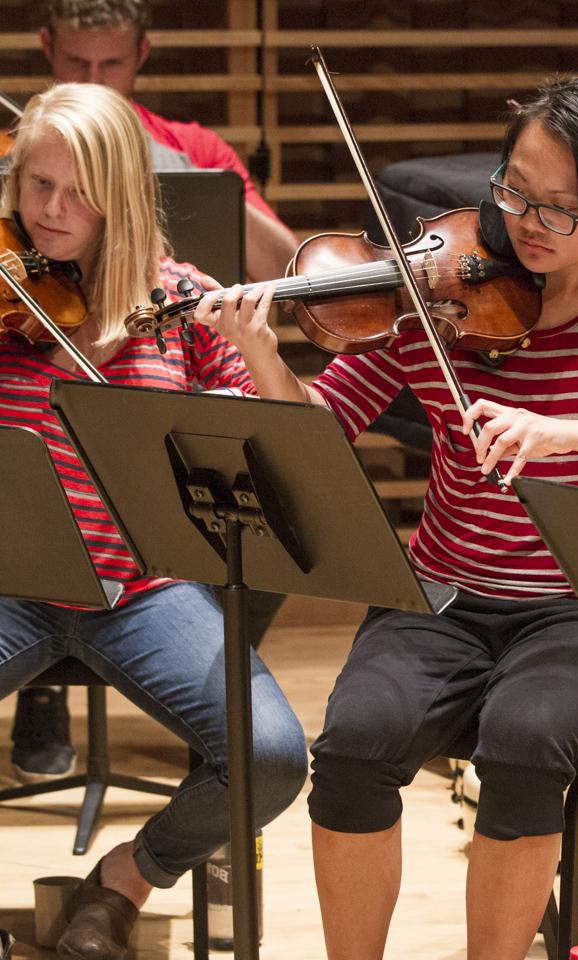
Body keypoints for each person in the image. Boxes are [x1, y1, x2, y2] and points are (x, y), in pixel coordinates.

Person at [200, 76, 578, 960]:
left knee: (525, 740)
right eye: (513, 188)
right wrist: (260, 350)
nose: (524, 221)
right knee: (351, 746)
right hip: (446, 595)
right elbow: (315, 431)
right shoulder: (435, 299)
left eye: (559, 208)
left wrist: (571, 432)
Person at [0, 83, 307, 960]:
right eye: (35, 187)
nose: (50, 213)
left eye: (76, 192)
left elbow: (278, 451)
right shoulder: (3, 288)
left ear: (124, 195)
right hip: (10, 580)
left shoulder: (184, 305)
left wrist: (260, 352)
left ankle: (127, 879)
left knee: (272, 755)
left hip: (142, 590)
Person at [39, 0, 298, 284]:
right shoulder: (19, 152)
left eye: (112, 63)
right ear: (47, 46)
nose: (94, 80)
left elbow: (288, 275)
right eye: (77, 62)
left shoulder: (195, 149)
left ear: (141, 53)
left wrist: (200, 189)